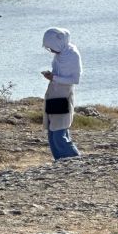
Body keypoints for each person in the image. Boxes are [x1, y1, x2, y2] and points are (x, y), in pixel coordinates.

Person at [41, 27, 82, 159]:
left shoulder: (72, 55)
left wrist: (54, 78)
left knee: (59, 132)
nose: (51, 51)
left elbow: (75, 79)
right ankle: (59, 161)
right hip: (53, 93)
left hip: (63, 95)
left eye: (51, 47)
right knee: (52, 132)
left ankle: (74, 159)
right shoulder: (60, 54)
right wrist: (52, 77)